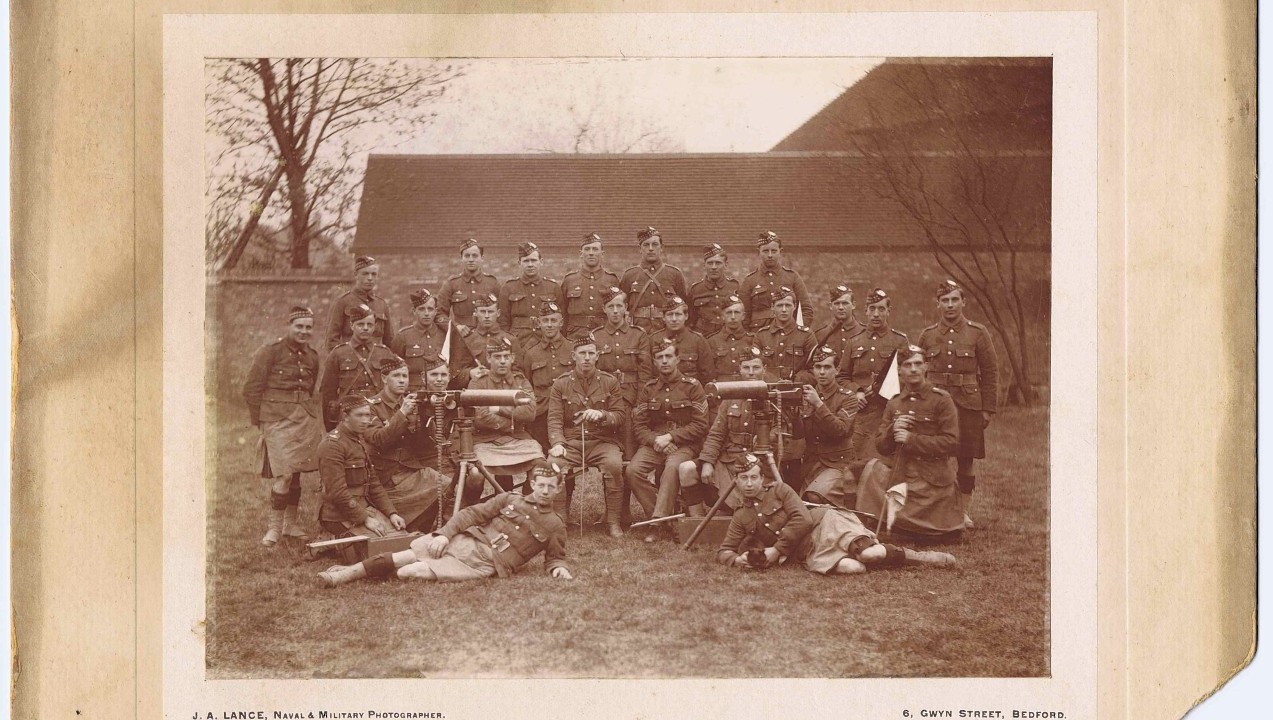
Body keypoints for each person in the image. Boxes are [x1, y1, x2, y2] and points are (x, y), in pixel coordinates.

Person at [318, 463, 574, 587]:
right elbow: (470, 514)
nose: (544, 491)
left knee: (409, 572)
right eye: (540, 484)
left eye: (551, 487)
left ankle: (361, 570)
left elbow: (555, 558)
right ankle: (342, 576)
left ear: (558, 489)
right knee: (403, 555)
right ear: (531, 483)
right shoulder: (510, 499)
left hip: (483, 563)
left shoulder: (555, 525)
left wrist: (558, 570)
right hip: (463, 541)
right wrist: (444, 535)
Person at [717, 454, 955, 573]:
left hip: (826, 524)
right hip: (808, 550)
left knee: (869, 555)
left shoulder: (780, 490)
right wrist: (736, 560)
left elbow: (804, 519)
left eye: (754, 478)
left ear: (762, 478)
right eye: (744, 479)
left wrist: (776, 550)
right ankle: (879, 555)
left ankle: (921, 558)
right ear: (736, 481)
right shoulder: (741, 515)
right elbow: (723, 550)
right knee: (855, 568)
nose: (749, 484)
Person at [916, 279, 1000, 529]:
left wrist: (988, 408)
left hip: (968, 405)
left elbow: (990, 370)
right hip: (935, 405)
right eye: (945, 300)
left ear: (963, 302)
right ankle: (935, 508)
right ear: (938, 304)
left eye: (954, 299)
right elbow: (917, 369)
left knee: (965, 458)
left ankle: (962, 511)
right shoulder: (927, 335)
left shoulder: (978, 332)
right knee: (932, 457)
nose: (950, 305)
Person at [859, 345, 965, 541]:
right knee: (870, 470)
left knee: (938, 530)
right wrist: (892, 430)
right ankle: (902, 526)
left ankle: (917, 528)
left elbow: (951, 443)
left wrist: (911, 440)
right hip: (901, 473)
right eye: (907, 365)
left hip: (931, 475)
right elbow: (881, 446)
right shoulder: (894, 403)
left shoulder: (942, 400)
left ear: (926, 367)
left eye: (918, 364)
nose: (913, 369)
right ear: (900, 370)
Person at [242, 305, 325, 546]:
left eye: (308, 327)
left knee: (296, 473)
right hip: (276, 418)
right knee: (284, 475)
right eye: (299, 326)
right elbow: (251, 388)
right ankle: (274, 529)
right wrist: (261, 422)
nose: (304, 331)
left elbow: (308, 389)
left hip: (303, 420)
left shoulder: (313, 356)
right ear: (289, 326)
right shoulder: (270, 352)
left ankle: (291, 526)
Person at [626, 338, 709, 541]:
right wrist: (658, 441)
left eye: (668, 356)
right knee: (632, 470)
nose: (664, 361)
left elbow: (701, 425)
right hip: (655, 443)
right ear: (654, 361)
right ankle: (666, 517)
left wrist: (671, 437)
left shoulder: (693, 387)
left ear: (677, 359)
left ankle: (656, 523)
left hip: (685, 444)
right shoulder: (649, 388)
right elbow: (639, 426)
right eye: (660, 357)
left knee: (672, 467)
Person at [547, 333, 628, 535]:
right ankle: (559, 521)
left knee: (614, 465)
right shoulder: (561, 384)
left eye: (591, 353)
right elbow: (555, 419)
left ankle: (613, 522)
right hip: (572, 443)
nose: (587, 358)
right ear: (573, 356)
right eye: (582, 353)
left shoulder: (610, 383)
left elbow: (619, 416)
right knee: (553, 464)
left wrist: (602, 414)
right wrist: (557, 442)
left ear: (597, 356)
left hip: (602, 442)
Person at [683, 344, 775, 512]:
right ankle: (697, 523)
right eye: (746, 368)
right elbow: (717, 434)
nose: (751, 372)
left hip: (760, 464)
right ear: (740, 369)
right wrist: (708, 462)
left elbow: (779, 433)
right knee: (686, 469)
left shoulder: (774, 397)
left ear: (764, 368)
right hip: (729, 461)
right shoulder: (730, 396)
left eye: (756, 367)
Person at [364, 357, 451, 532]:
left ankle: (426, 529)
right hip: (387, 474)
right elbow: (380, 440)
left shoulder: (412, 402)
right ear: (384, 378)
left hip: (410, 469)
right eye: (396, 376)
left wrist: (428, 413)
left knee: (450, 486)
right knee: (444, 487)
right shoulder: (371, 407)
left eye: (405, 376)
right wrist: (403, 413)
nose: (402, 380)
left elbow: (422, 443)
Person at [316, 395, 408, 541]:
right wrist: (365, 518)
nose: (365, 420)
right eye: (359, 415)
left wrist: (391, 513)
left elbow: (374, 484)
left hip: (362, 509)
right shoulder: (332, 446)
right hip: (338, 515)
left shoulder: (358, 440)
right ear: (345, 416)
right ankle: (329, 537)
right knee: (382, 546)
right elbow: (337, 492)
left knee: (401, 538)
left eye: (368, 415)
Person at [839, 288, 910, 473]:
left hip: (887, 413)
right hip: (860, 415)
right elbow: (842, 377)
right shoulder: (854, 342)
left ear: (889, 310)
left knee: (884, 466)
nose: (876, 314)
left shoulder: (899, 341)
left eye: (881, 308)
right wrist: (857, 391)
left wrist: (883, 390)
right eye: (872, 308)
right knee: (856, 465)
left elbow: (907, 378)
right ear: (866, 311)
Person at [470, 336, 544, 492]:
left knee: (540, 467)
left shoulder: (521, 381)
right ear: (489, 358)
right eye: (497, 357)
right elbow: (481, 417)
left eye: (506, 356)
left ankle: (528, 503)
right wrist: (513, 421)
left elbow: (530, 413)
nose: (502, 361)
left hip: (517, 438)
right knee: (475, 473)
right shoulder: (478, 382)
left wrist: (497, 408)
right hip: (486, 440)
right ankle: (471, 507)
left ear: (512, 358)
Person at [318, 303, 399, 430]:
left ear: (374, 327)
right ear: (352, 326)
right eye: (360, 324)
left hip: (378, 413)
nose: (365, 328)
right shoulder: (338, 353)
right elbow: (328, 393)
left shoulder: (384, 353)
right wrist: (330, 425)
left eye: (369, 325)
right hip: (349, 413)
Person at [593, 286, 652, 458]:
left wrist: (640, 404)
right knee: (607, 446)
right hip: (604, 398)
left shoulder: (639, 335)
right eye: (610, 306)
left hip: (629, 398)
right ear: (604, 309)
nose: (615, 311)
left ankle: (628, 485)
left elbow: (645, 373)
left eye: (619, 306)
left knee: (629, 445)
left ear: (626, 308)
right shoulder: (596, 336)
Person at [796, 346, 859, 505]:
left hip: (837, 463)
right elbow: (798, 433)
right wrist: (791, 412)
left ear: (837, 370)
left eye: (827, 367)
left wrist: (818, 404)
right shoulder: (804, 396)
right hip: (811, 463)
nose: (822, 372)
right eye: (818, 367)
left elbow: (840, 430)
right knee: (798, 503)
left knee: (814, 497)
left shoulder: (848, 398)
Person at [390, 288, 478, 392]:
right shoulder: (403, 337)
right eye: (421, 309)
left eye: (430, 309)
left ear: (436, 311)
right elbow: (393, 371)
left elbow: (457, 368)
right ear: (414, 311)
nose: (426, 313)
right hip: (413, 395)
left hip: (443, 393)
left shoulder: (446, 335)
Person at [518, 301, 574, 450]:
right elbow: (527, 385)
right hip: (541, 413)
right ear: (539, 323)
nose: (549, 325)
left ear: (561, 323)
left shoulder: (572, 349)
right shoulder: (531, 354)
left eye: (553, 321)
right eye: (545, 321)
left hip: (567, 410)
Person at [739, 231, 814, 331]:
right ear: (759, 252)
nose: (770, 255)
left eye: (774, 251)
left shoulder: (792, 277)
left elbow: (806, 310)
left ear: (780, 251)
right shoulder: (749, 281)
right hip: (757, 336)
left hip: (788, 334)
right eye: (765, 251)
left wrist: (799, 335)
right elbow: (743, 315)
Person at [618, 226, 688, 331]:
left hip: (666, 332)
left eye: (655, 244)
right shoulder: (629, 275)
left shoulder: (675, 274)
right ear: (640, 249)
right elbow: (621, 308)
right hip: (637, 333)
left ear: (661, 247)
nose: (650, 248)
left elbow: (684, 307)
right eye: (646, 245)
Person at [559, 233, 621, 336]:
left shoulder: (611, 280)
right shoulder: (569, 280)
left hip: (604, 334)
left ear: (602, 253)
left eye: (595, 249)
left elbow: (619, 311)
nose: (591, 253)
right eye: (587, 249)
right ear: (581, 253)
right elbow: (562, 313)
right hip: (575, 335)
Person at [325, 255, 392, 350]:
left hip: (376, 362)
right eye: (365, 274)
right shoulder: (343, 301)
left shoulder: (381, 304)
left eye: (374, 274)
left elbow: (389, 340)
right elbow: (332, 339)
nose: (370, 278)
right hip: (351, 360)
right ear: (356, 275)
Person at [499, 242, 561, 342]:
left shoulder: (553, 287)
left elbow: (562, 319)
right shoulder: (508, 288)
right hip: (518, 341)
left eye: (533, 260)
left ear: (541, 261)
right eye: (526, 261)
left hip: (545, 340)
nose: (530, 265)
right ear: (519, 263)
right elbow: (503, 320)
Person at [645, 295, 715, 384]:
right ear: (663, 317)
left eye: (678, 314)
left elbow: (708, 376)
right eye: (670, 315)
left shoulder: (698, 340)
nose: (674, 319)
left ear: (686, 316)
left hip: (690, 395)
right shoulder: (653, 340)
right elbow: (647, 374)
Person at [754, 286, 815, 383]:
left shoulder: (806, 335)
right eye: (779, 305)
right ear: (772, 307)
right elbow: (754, 367)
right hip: (768, 390)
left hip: (797, 391)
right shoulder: (762, 335)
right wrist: (773, 380)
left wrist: (795, 381)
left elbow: (814, 369)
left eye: (788, 305)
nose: (783, 309)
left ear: (794, 306)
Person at [437, 237, 501, 327]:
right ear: (461, 258)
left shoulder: (493, 283)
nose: (471, 259)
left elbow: (503, 314)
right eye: (467, 256)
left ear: (482, 258)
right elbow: (439, 314)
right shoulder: (452, 284)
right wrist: (455, 327)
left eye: (475, 256)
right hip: (461, 337)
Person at [687, 243, 740, 337]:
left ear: (726, 265)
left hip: (728, 338)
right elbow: (689, 321)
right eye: (710, 263)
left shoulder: (734, 287)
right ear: (704, 265)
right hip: (703, 338)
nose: (714, 267)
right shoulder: (696, 290)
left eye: (718, 263)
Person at [809, 284, 864, 373]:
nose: (841, 307)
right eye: (837, 303)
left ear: (853, 305)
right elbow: (813, 367)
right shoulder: (821, 335)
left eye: (845, 303)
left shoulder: (863, 333)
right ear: (831, 306)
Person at [462, 292, 522, 372]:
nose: (487, 316)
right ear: (476, 313)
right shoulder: (467, 340)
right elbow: (458, 373)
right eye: (483, 312)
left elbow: (518, 373)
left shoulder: (511, 340)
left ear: (498, 313)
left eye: (490, 312)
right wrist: (469, 373)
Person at [704, 294, 756, 382]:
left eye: (736, 312)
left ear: (743, 316)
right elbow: (708, 372)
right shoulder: (711, 341)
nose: (733, 317)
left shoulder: (753, 339)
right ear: (722, 316)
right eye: (728, 313)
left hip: (747, 387)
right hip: (721, 389)